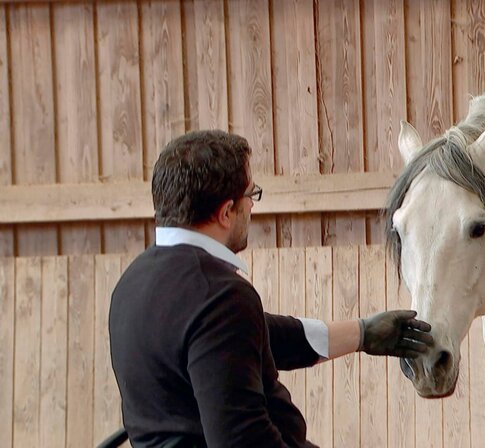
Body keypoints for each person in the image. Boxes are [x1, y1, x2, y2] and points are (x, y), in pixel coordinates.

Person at [109, 130, 434, 448]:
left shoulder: (133, 282)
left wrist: (363, 333)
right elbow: (242, 440)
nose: (252, 206)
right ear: (225, 212)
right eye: (251, 195)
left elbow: (260, 336)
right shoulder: (219, 295)